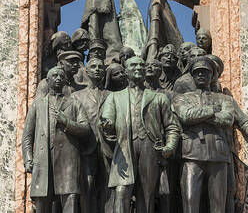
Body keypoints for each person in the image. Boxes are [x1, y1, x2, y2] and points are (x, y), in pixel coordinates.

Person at [173, 57, 248, 213]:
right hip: (192, 155)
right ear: (192, 76)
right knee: (190, 204)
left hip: (219, 156)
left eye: (205, 72)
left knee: (218, 206)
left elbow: (227, 119)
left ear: (212, 75)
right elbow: (186, 115)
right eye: (197, 72)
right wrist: (212, 110)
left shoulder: (225, 99)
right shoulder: (182, 98)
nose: (201, 75)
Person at [99, 56, 181, 213]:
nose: (138, 68)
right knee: (121, 192)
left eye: (141, 65)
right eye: (133, 65)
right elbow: (106, 119)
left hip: (150, 149)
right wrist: (107, 126)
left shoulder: (159, 98)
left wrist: (169, 147)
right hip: (124, 149)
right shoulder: (114, 97)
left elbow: (172, 126)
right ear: (126, 71)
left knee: (147, 195)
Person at [22, 66, 91, 213]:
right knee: (42, 203)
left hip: (68, 160)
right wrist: (28, 159)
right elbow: (27, 135)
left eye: (61, 76)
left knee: (69, 201)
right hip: (43, 160)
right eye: (55, 76)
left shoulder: (74, 103)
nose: (58, 78)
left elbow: (85, 129)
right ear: (48, 80)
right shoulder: (38, 104)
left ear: (65, 80)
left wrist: (66, 121)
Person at [72, 58, 112, 213]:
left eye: (100, 67)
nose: (97, 69)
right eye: (93, 67)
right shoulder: (77, 96)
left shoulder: (112, 95)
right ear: (86, 71)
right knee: (87, 184)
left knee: (107, 185)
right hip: (86, 146)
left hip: (108, 146)